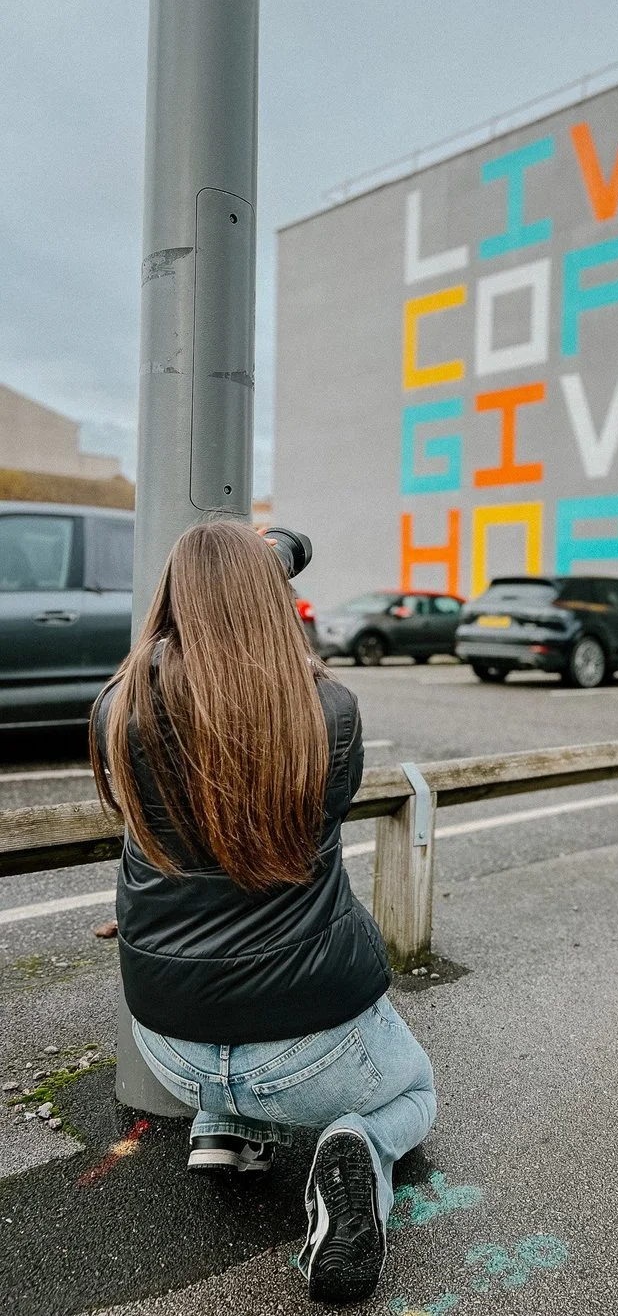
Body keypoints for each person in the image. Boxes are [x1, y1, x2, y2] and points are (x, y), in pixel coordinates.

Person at [89, 520, 436, 1306]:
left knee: (221, 1009)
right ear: (272, 599)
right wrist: (265, 565)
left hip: (171, 1045)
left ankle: (221, 1128)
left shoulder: (121, 712)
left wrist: (219, 573)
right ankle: (355, 1147)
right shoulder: (331, 715)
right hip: (310, 1048)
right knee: (416, 1093)